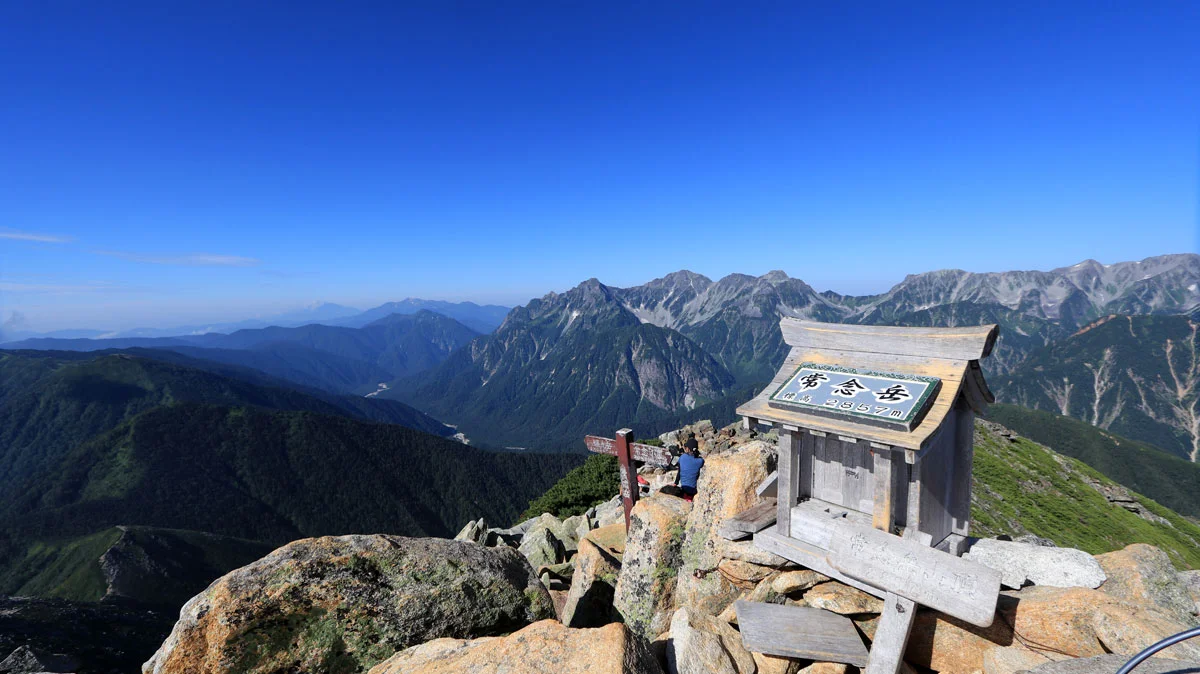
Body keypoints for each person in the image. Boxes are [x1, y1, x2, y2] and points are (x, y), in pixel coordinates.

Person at [676, 433, 704, 500]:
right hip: (693, 492)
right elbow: (701, 461)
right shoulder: (700, 461)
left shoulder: (682, 457)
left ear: (688, 449)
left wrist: (675, 483)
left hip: (684, 489)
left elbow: (679, 471)